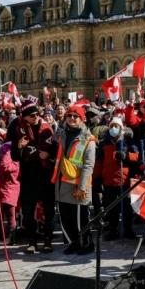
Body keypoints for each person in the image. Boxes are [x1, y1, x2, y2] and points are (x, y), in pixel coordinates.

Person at [9, 101, 57, 254]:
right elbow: (14, 157)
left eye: (37, 114)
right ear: (25, 117)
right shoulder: (19, 130)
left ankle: (48, 240)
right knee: (28, 212)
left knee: (49, 211)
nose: (36, 117)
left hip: (45, 175)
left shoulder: (48, 129)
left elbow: (57, 152)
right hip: (29, 175)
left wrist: (49, 155)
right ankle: (32, 241)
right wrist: (19, 147)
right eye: (32, 115)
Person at [52, 104, 96, 255]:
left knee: (80, 219)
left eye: (75, 116)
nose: (72, 118)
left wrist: (82, 187)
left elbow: (88, 166)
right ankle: (73, 243)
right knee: (65, 218)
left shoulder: (88, 139)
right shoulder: (62, 134)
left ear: (82, 119)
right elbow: (53, 137)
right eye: (69, 116)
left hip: (78, 185)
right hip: (62, 183)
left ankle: (87, 244)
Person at [95, 118, 139, 240]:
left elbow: (137, 156)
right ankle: (113, 230)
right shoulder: (104, 142)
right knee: (111, 208)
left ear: (121, 127)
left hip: (124, 180)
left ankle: (128, 230)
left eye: (116, 126)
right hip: (109, 180)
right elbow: (99, 162)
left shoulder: (127, 141)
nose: (114, 128)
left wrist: (126, 156)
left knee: (126, 208)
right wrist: (97, 178)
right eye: (112, 126)